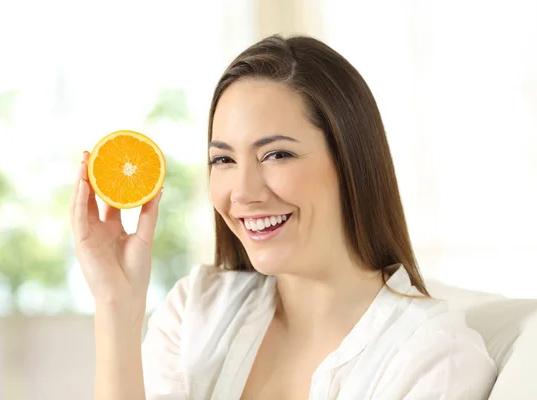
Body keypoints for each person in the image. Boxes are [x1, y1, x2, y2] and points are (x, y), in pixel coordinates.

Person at [70, 35, 497, 399]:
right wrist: (116, 306)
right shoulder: (194, 313)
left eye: (277, 154)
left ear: (350, 161)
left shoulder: (434, 359)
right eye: (223, 159)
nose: (243, 192)